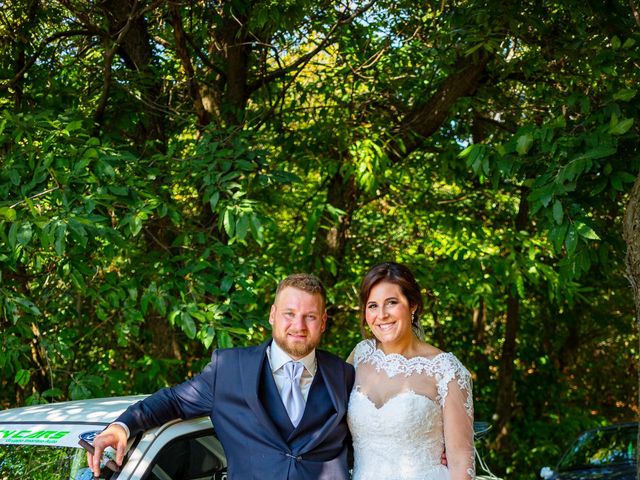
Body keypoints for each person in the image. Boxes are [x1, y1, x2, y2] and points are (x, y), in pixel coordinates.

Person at [89, 273, 355, 479]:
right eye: (290, 314)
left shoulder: (342, 374)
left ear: (322, 323)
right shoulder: (228, 369)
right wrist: (121, 426)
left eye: (309, 317)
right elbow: (173, 401)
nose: (298, 326)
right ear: (273, 315)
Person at [347, 262, 475, 480]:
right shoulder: (359, 356)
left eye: (392, 303)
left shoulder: (446, 370)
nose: (382, 315)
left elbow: (461, 458)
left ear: (413, 304)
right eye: (373, 306)